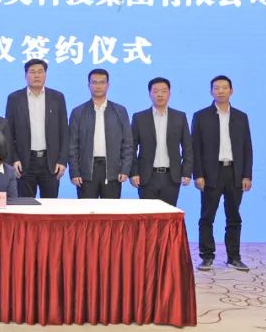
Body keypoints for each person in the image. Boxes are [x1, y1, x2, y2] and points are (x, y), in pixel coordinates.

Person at [192, 75, 254, 272]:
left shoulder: (241, 117)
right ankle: (207, 256)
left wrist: (247, 175)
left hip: (235, 172)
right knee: (207, 217)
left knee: (234, 217)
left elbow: (247, 147)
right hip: (211, 173)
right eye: (216, 88)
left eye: (224, 87)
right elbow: (195, 148)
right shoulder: (201, 116)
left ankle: (234, 257)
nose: (220, 91)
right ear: (211, 92)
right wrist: (198, 174)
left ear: (231, 91)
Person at [4, 59, 69, 198]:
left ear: (45, 75)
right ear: (25, 75)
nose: (37, 75)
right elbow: (8, 133)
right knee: (26, 206)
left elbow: (64, 131)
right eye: (32, 72)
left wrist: (62, 161)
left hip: (50, 162)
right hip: (24, 163)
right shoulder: (14, 98)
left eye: (40, 72)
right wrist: (14, 159)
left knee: (50, 206)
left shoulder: (57, 97)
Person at [67, 68, 133, 198]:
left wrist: (125, 169)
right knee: (86, 210)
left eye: (102, 82)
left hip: (112, 171)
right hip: (86, 172)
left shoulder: (120, 111)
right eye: (94, 82)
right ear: (89, 85)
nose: (98, 86)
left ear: (108, 85)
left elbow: (127, 143)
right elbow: (72, 145)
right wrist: (74, 172)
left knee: (110, 210)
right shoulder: (78, 112)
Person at [130, 77, 193, 206]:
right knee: (148, 215)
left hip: (171, 177)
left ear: (169, 93)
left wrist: (186, 172)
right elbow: (131, 147)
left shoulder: (179, 117)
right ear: (149, 94)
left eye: (164, 91)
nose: (160, 94)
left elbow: (187, 147)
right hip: (146, 177)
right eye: (155, 91)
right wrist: (133, 172)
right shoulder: (139, 118)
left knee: (169, 215)